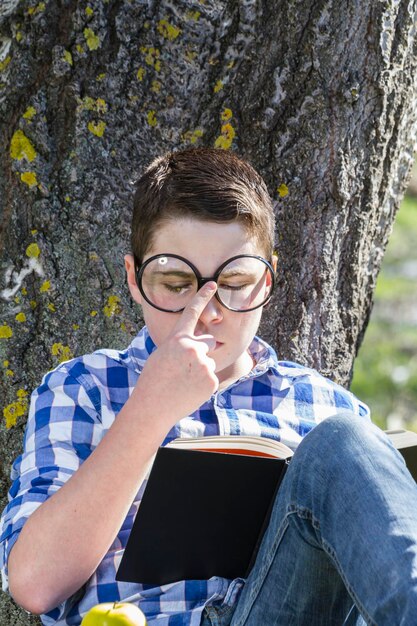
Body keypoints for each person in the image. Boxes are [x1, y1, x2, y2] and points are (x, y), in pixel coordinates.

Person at [1, 147, 417, 626]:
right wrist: (151, 411)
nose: (208, 309)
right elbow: (33, 583)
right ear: (135, 279)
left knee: (344, 441)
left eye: (235, 281)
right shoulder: (82, 389)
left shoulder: (328, 407)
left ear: (265, 283)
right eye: (177, 282)